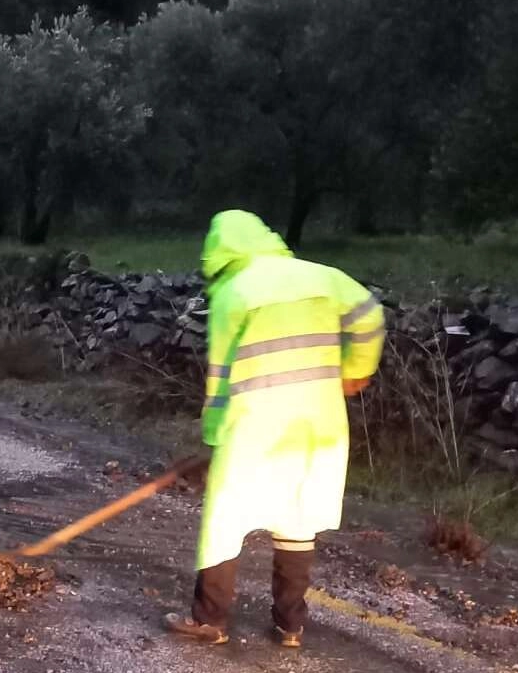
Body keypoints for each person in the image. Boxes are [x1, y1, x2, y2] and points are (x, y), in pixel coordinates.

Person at [165, 210, 385, 648]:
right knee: (297, 518)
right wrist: (357, 368)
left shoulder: (233, 293)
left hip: (255, 427)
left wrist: (214, 436)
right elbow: (370, 315)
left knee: (225, 520)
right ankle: (290, 626)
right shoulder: (324, 277)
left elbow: (221, 377)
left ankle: (210, 619)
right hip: (318, 426)